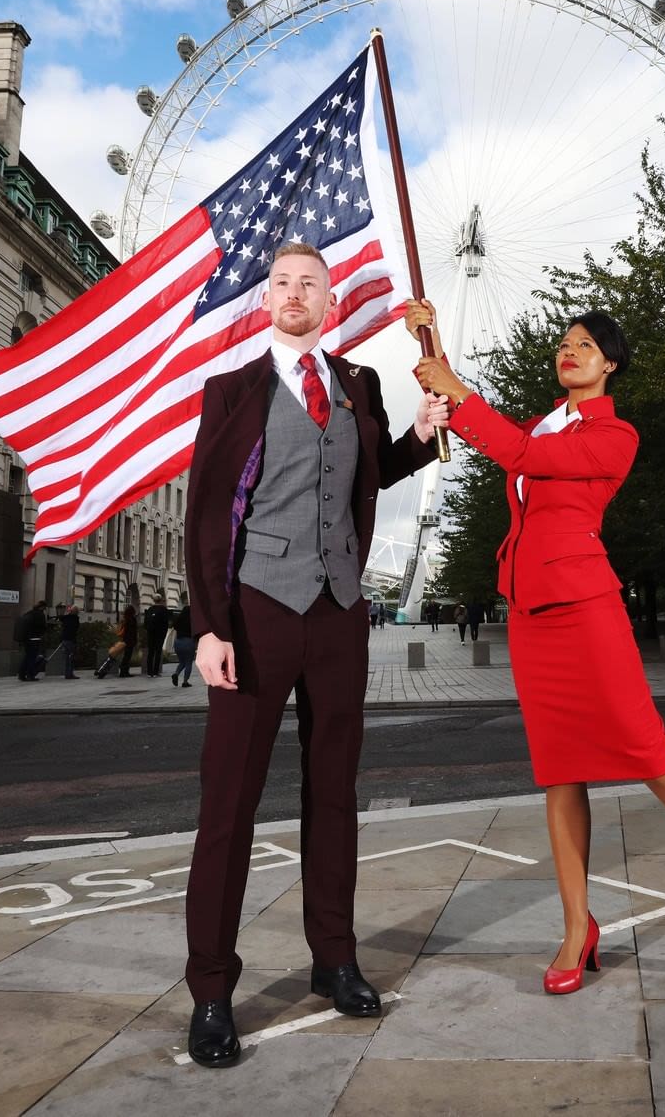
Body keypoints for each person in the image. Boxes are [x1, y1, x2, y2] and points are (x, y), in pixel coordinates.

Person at [409, 299, 665, 994]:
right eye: (564, 342)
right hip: (530, 613)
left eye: (585, 345)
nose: (569, 350)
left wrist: (460, 392)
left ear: (609, 363)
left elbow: (519, 452)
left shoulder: (615, 435)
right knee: (559, 772)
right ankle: (578, 929)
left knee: (652, 755)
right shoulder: (542, 421)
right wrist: (431, 343)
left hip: (586, 609)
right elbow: (496, 434)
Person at [182, 242, 448, 1068]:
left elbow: (366, 473)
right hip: (256, 612)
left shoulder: (358, 383)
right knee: (229, 806)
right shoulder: (231, 390)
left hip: (339, 612)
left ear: (330, 301)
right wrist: (209, 627)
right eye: (283, 284)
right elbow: (204, 516)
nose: (296, 294)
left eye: (310, 284)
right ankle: (213, 992)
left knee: (334, 794)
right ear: (267, 300)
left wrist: (418, 433)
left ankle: (334, 959)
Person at [18, 600, 48, 681]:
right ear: (42, 607)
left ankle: (21, 674)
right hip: (35, 639)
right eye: (44, 607)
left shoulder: (29, 613)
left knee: (27, 657)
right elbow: (43, 627)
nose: (44, 609)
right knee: (32, 657)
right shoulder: (40, 615)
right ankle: (30, 675)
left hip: (26, 639)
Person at [144, 592, 171, 677]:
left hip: (151, 633)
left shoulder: (150, 609)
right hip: (160, 634)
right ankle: (156, 672)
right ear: (161, 600)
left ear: (154, 600)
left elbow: (145, 623)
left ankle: (149, 672)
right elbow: (166, 623)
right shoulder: (164, 610)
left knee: (150, 652)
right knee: (158, 651)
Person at [171, 599, 195, 687]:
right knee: (188, 662)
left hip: (178, 642)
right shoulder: (192, 621)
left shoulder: (179, 620)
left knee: (182, 662)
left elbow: (174, 627)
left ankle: (176, 674)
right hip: (188, 642)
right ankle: (185, 681)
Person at [59, 604, 80, 679]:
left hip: (64, 639)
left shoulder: (66, 618)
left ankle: (67, 673)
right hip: (71, 640)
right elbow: (75, 629)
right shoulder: (75, 619)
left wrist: (67, 612)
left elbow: (62, 619)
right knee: (71, 657)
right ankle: (70, 673)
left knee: (67, 657)